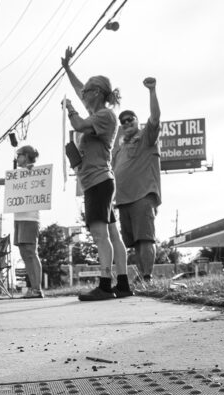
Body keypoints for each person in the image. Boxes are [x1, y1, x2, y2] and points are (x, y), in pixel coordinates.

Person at [61, 47, 132, 301]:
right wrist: (67, 68)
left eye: (88, 92)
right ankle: (122, 284)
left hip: (97, 182)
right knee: (112, 234)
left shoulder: (103, 116)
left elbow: (78, 124)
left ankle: (104, 285)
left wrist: (70, 108)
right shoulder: (98, 113)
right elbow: (80, 87)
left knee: (100, 235)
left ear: (98, 93)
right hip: (101, 181)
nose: (83, 94)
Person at [113, 77, 162, 287]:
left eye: (130, 119)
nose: (126, 123)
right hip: (123, 200)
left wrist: (152, 91)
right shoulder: (120, 147)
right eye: (123, 121)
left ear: (137, 121)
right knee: (133, 242)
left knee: (145, 238)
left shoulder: (146, 137)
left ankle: (147, 277)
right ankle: (142, 276)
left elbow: (156, 117)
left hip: (142, 196)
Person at [0, 145, 44, 299]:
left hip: (30, 218)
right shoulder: (18, 174)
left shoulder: (34, 171)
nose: (17, 158)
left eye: (19, 155)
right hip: (19, 218)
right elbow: (6, 180)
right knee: (24, 253)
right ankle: (33, 288)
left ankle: (37, 289)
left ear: (27, 156)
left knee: (31, 252)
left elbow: (9, 179)